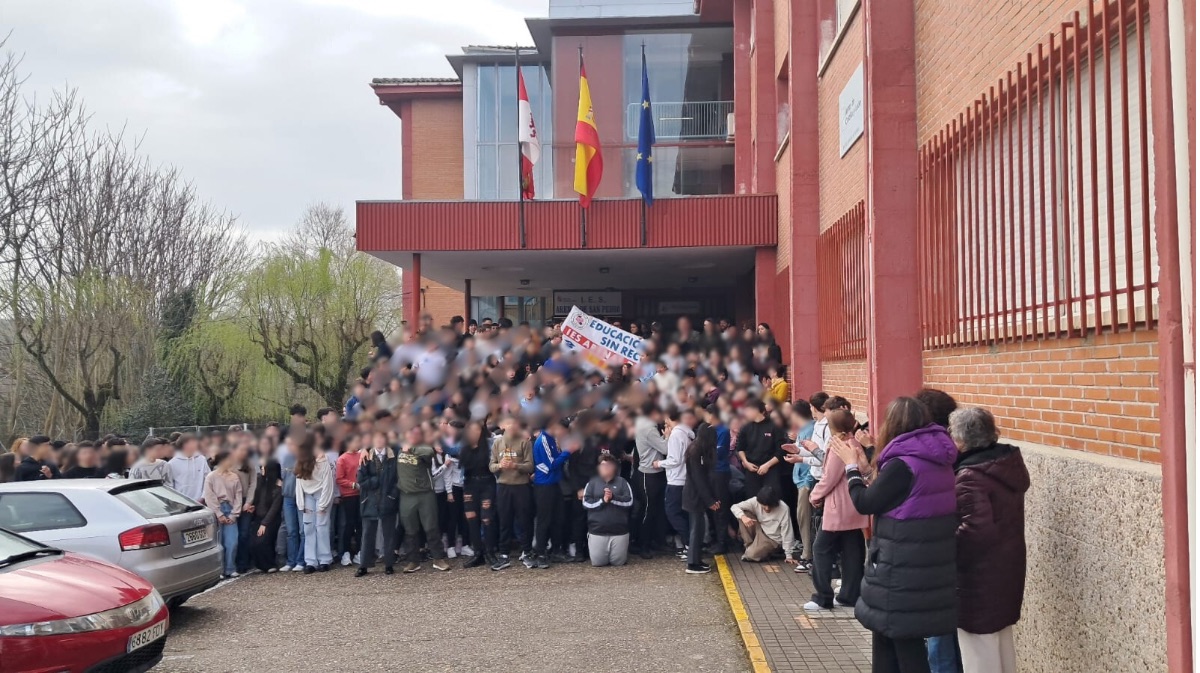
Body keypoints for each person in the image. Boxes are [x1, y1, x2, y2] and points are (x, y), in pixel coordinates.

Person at [831, 396, 959, 673]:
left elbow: (866, 503)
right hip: (930, 562)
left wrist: (851, 466)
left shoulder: (903, 464)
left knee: (902, 642)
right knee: (888, 635)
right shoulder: (940, 458)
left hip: (901, 565)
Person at [949, 407, 1029, 673]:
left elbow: (975, 533)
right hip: (1006, 568)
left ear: (961, 440)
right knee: (1001, 641)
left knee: (978, 650)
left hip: (979, 578)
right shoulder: (1005, 464)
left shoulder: (970, 476)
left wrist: (945, 551)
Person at [803, 409, 870, 611]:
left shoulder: (838, 447)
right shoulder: (855, 444)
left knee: (821, 548)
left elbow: (829, 477)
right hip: (855, 505)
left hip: (837, 507)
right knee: (852, 549)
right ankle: (850, 595)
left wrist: (815, 495)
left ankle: (822, 596)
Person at [396, 425, 450, 573]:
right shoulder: (398, 446)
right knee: (410, 530)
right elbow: (377, 444)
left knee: (431, 527)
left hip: (425, 493)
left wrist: (411, 448)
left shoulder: (424, 447)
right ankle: (413, 561)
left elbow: (429, 452)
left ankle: (438, 559)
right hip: (406, 495)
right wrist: (363, 450)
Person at [489, 418, 533, 570]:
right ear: (503, 426)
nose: (511, 427)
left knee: (524, 520)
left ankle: (527, 552)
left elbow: (530, 466)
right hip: (503, 486)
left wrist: (515, 465)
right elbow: (491, 465)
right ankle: (504, 555)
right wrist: (500, 465)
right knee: (504, 521)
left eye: (514, 424)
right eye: (508, 424)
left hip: (521, 486)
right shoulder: (497, 443)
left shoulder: (524, 442)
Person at [356, 431, 399, 576]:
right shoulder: (366, 456)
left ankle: (389, 563)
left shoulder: (393, 456)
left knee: (389, 533)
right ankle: (364, 565)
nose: (379, 441)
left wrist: (393, 495)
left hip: (388, 498)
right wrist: (375, 481)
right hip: (370, 499)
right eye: (376, 438)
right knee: (368, 533)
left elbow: (398, 479)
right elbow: (361, 479)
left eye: (382, 438)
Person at [531, 418, 572, 569]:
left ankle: (557, 550)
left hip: (555, 484)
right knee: (544, 520)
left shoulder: (552, 439)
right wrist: (568, 451)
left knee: (558, 518)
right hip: (544, 486)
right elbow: (552, 464)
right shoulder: (543, 440)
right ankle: (541, 553)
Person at [682, 424, 722, 574]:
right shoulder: (696, 452)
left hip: (696, 495)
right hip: (695, 496)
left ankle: (696, 560)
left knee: (698, 528)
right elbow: (699, 479)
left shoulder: (696, 450)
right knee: (696, 530)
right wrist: (710, 501)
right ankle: (692, 563)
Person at [655, 408, 695, 558]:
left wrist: (659, 463)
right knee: (683, 513)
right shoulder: (687, 433)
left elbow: (674, 460)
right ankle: (689, 543)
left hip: (676, 480)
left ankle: (688, 543)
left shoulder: (676, 435)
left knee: (672, 512)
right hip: (685, 478)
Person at [294, 432, 336, 573]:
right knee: (308, 528)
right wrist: (301, 503)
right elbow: (299, 482)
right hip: (307, 496)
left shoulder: (325, 459)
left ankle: (325, 559)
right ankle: (310, 561)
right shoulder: (302, 459)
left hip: (321, 495)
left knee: (322, 526)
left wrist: (323, 504)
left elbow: (327, 483)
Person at [582, 454, 634, 567]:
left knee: (618, 563)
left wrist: (613, 498)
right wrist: (603, 500)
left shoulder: (622, 482)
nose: (605, 468)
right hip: (597, 531)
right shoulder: (592, 483)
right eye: (603, 465)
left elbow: (629, 502)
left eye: (608, 465)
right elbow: (586, 503)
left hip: (619, 531)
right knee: (598, 563)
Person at [458, 421, 497, 568]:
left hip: (487, 483)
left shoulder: (488, 445)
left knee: (487, 518)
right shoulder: (464, 448)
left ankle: (490, 552)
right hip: (469, 485)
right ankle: (478, 553)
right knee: (471, 518)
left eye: (477, 430)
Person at [632, 402, 668, 558]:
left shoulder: (644, 425)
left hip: (655, 472)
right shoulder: (648, 429)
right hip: (649, 474)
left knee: (653, 510)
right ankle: (643, 545)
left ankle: (651, 541)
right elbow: (666, 449)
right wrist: (668, 434)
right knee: (648, 510)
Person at [203, 449, 245, 579]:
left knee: (232, 541)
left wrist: (234, 514)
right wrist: (218, 513)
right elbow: (209, 496)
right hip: (218, 508)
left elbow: (238, 496)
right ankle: (220, 570)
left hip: (231, 508)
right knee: (219, 542)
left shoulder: (234, 476)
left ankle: (230, 568)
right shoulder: (211, 476)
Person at [730, 486, 796, 564]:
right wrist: (743, 517)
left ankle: (754, 551)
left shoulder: (784, 508)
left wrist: (789, 555)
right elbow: (734, 507)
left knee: (751, 555)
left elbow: (787, 531)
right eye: (764, 505)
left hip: (773, 539)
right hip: (761, 529)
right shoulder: (755, 501)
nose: (767, 508)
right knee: (744, 513)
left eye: (770, 505)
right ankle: (750, 547)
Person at [788, 400, 817, 572]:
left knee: (805, 519)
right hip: (801, 479)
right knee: (803, 518)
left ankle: (808, 556)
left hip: (807, 480)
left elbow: (812, 459)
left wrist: (807, 482)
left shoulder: (811, 430)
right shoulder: (804, 430)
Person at [736, 400, 785, 497]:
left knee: (772, 497)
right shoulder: (746, 427)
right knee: (751, 498)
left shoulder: (774, 426)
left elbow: (780, 450)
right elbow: (740, 448)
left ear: (757, 410)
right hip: (751, 468)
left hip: (770, 468)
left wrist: (767, 465)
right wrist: (746, 462)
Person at [248, 459, 284, 573]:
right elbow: (258, 499)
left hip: (270, 519)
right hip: (258, 517)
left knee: (262, 541)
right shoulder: (261, 482)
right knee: (252, 542)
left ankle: (269, 564)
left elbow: (274, 508)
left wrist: (264, 524)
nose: (262, 469)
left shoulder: (277, 487)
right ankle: (260, 565)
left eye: (264, 468)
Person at [335, 434, 363, 567]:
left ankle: (359, 551)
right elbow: (339, 478)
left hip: (361, 494)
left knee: (360, 523)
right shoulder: (342, 459)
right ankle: (345, 552)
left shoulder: (360, 455)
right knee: (349, 523)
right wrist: (353, 484)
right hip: (349, 494)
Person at [169, 434, 211, 502]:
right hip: (181, 503)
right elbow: (170, 485)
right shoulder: (172, 463)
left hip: (201, 502)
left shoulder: (201, 459)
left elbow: (208, 479)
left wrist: (203, 497)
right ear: (185, 445)